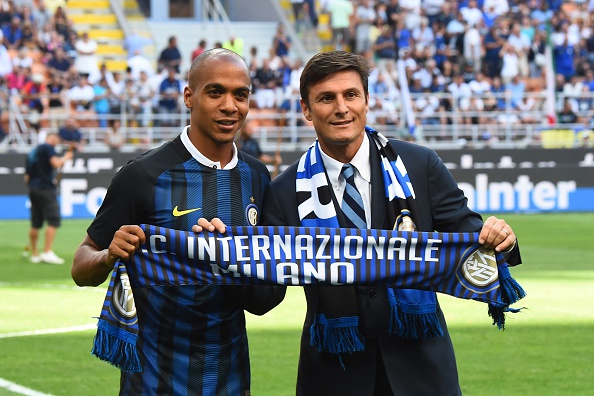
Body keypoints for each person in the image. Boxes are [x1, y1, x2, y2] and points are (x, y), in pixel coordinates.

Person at [259, 51, 521, 395]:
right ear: (306, 109)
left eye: (351, 95)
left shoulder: (419, 164)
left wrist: (502, 238)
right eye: (326, 98)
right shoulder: (283, 190)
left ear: (367, 100)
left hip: (422, 371)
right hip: (333, 374)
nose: (341, 108)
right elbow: (264, 294)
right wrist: (220, 249)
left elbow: (472, 237)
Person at [71, 48, 285, 395]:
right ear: (189, 96)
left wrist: (230, 260)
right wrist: (108, 256)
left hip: (230, 383)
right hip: (153, 383)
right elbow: (82, 266)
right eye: (215, 92)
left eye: (240, 95)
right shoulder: (143, 174)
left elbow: (266, 300)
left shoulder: (257, 177)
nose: (230, 106)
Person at [25, 132, 73, 264]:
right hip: (45, 188)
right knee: (53, 219)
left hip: (33, 188)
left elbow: (27, 176)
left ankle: (35, 254)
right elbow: (56, 163)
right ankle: (47, 252)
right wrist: (66, 157)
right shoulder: (47, 147)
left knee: (36, 221)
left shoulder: (33, 152)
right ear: (52, 138)